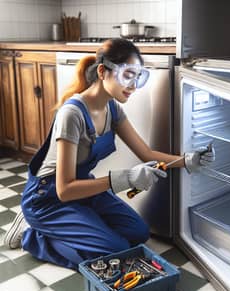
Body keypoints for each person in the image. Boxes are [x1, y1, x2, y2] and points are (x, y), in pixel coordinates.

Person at [3, 38, 214, 270]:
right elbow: (64, 190)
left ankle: (82, 226)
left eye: (138, 77)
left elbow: (146, 153)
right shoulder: (72, 115)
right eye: (128, 75)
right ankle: (32, 235)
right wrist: (125, 178)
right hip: (48, 199)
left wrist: (187, 160)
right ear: (103, 71)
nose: (133, 86)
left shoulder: (113, 109)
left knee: (139, 233)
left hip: (82, 190)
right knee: (116, 250)